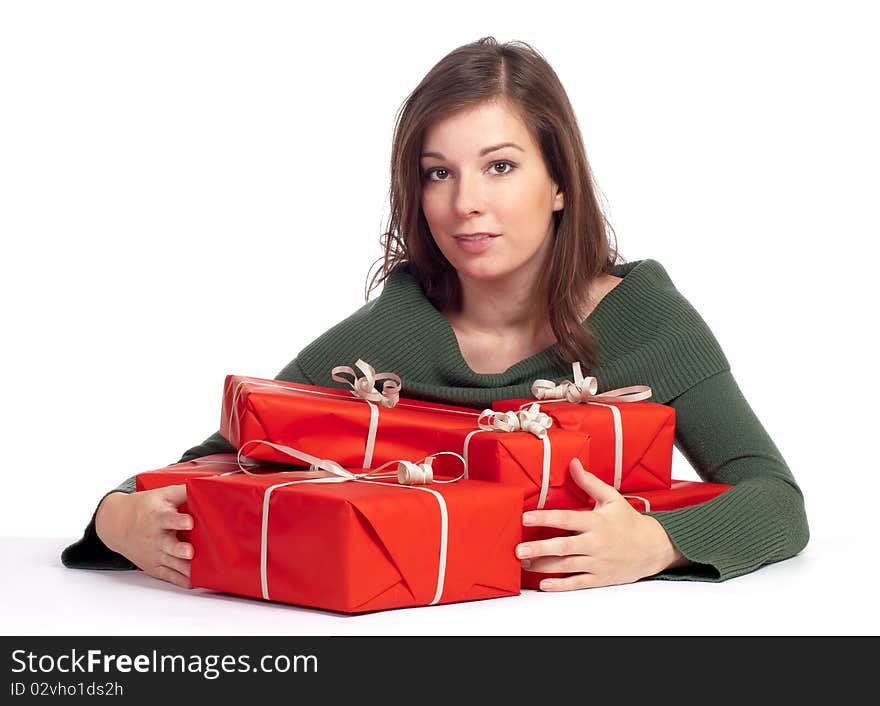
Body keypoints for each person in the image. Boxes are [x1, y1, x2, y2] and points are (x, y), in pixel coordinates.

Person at [62, 36, 809, 592]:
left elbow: (775, 499)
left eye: (501, 166)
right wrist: (114, 517)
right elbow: (210, 461)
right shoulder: (382, 342)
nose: (465, 203)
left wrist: (656, 543)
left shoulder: (649, 322)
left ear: (559, 184)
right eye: (438, 173)